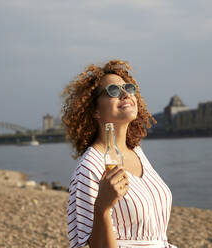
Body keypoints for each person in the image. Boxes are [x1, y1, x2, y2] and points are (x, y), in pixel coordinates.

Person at [62, 60, 176, 248]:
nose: (125, 94)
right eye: (113, 91)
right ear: (95, 111)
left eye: (129, 88)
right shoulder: (90, 167)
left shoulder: (137, 152)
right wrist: (102, 208)